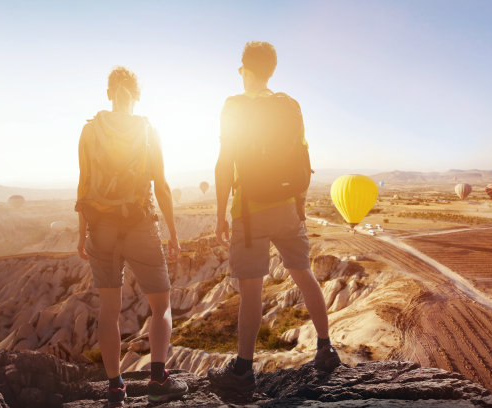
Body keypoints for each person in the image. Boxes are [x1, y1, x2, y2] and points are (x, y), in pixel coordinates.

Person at [209, 42, 341, 394]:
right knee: (304, 274)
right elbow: (302, 158)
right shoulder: (289, 106)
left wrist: (220, 214)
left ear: (246, 70)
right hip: (287, 207)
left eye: (241, 68)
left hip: (249, 213)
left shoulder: (234, 106)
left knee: (251, 291)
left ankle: (242, 371)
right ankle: (326, 348)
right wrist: (298, 204)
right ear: (272, 70)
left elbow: (224, 164)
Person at [75, 66, 188, 407]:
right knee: (161, 306)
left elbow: (83, 184)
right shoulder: (147, 130)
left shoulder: (90, 130)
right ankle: (157, 379)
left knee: (109, 311)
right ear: (137, 96)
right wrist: (173, 233)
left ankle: (115, 388)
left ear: (109, 93)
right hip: (140, 225)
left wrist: (82, 233)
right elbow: (163, 185)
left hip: (102, 229)